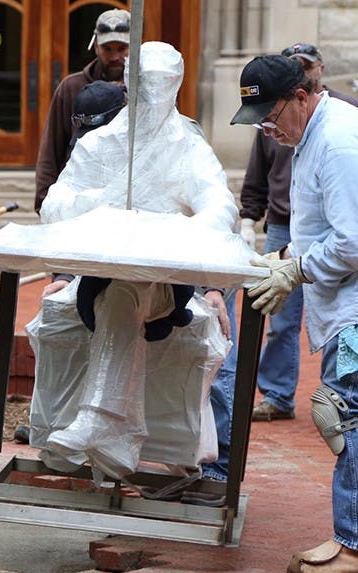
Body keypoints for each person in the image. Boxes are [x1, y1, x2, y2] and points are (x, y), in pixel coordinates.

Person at [232, 54, 358, 573]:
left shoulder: (336, 141)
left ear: (301, 95)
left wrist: (296, 270)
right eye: (259, 123)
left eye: (272, 116)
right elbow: (329, 221)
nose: (268, 131)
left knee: (341, 410)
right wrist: (287, 259)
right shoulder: (315, 133)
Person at [38, 41, 237, 480]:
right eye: (143, 85)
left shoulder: (188, 146)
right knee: (116, 293)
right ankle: (114, 433)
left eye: (161, 85)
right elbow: (54, 205)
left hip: (166, 283)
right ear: (128, 85)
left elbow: (221, 207)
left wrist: (177, 232)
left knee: (127, 292)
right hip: (100, 276)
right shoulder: (103, 144)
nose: (152, 95)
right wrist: (102, 202)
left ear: (176, 86)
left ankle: (100, 420)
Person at [240, 42, 358, 422]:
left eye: (306, 65)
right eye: (293, 64)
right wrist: (249, 217)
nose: (303, 70)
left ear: (319, 70)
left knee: (340, 320)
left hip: (333, 239)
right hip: (284, 227)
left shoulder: (338, 129)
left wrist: (297, 266)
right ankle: (279, 394)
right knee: (281, 320)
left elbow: (357, 238)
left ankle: (344, 397)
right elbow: (258, 170)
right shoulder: (279, 119)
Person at [13, 80, 126, 445]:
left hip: (136, 272)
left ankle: (103, 430)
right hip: (88, 267)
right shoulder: (85, 154)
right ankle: (51, 425)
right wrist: (63, 272)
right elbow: (62, 209)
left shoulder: (151, 151)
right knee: (56, 326)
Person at [34, 9, 129, 213]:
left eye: (122, 49)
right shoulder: (71, 87)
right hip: (76, 199)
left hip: (127, 201)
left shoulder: (149, 91)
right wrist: (43, 201)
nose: (115, 56)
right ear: (95, 45)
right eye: (107, 48)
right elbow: (52, 147)